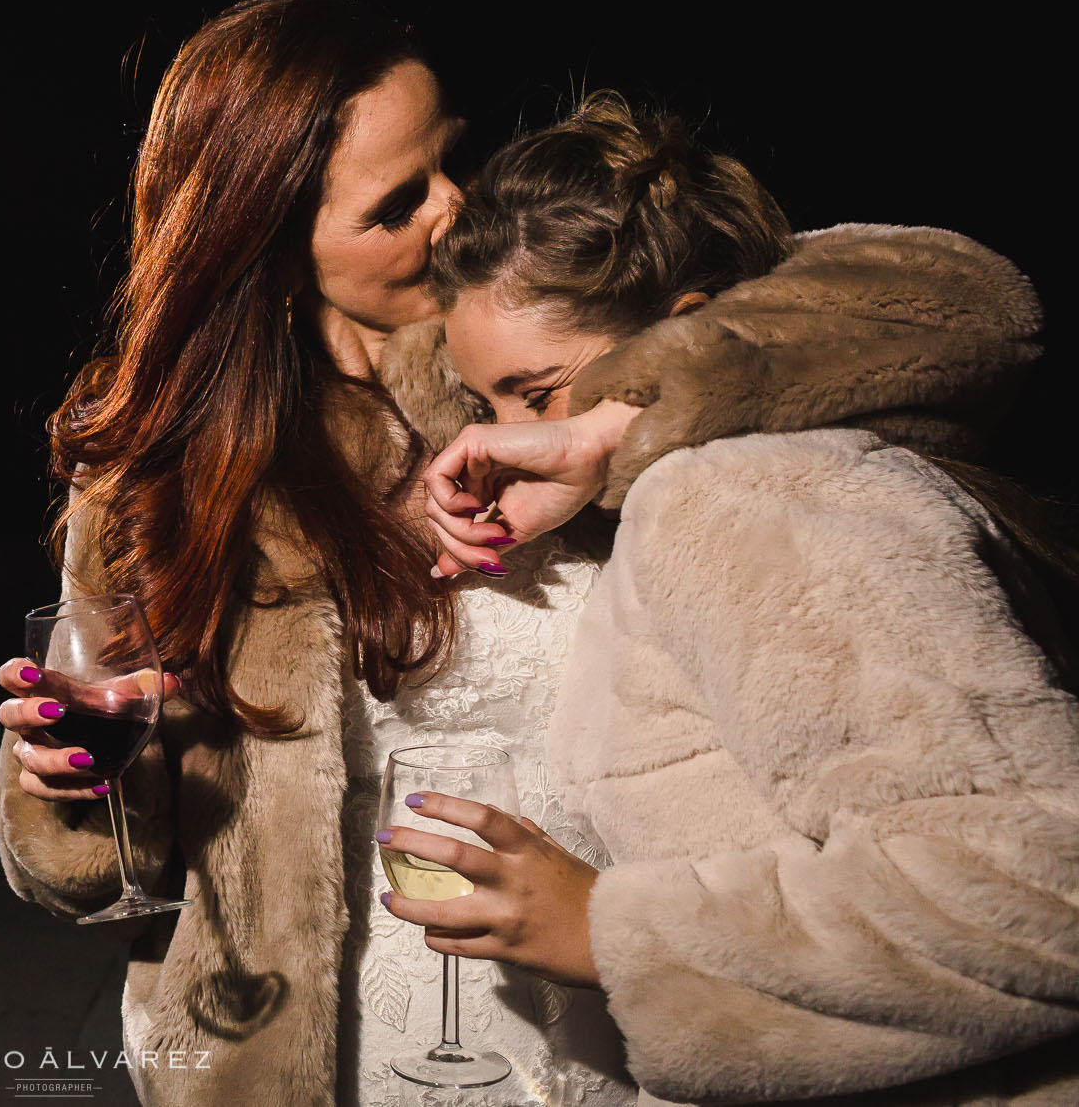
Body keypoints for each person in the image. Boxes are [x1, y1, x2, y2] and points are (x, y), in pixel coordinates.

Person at [0, 0, 1043, 1107]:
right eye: (396, 204)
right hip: (291, 1064)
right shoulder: (163, 482)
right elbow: (98, 880)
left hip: (631, 1036)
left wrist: (628, 413)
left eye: (451, 156)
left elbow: (964, 307)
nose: (454, 209)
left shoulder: (543, 333)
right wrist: (72, 789)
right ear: (267, 248)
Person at [383, 92, 1078, 1103]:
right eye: (482, 403)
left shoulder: (740, 494)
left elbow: (1044, 888)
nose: (498, 438)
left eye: (537, 391)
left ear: (678, 338)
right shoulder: (718, 487)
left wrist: (607, 931)